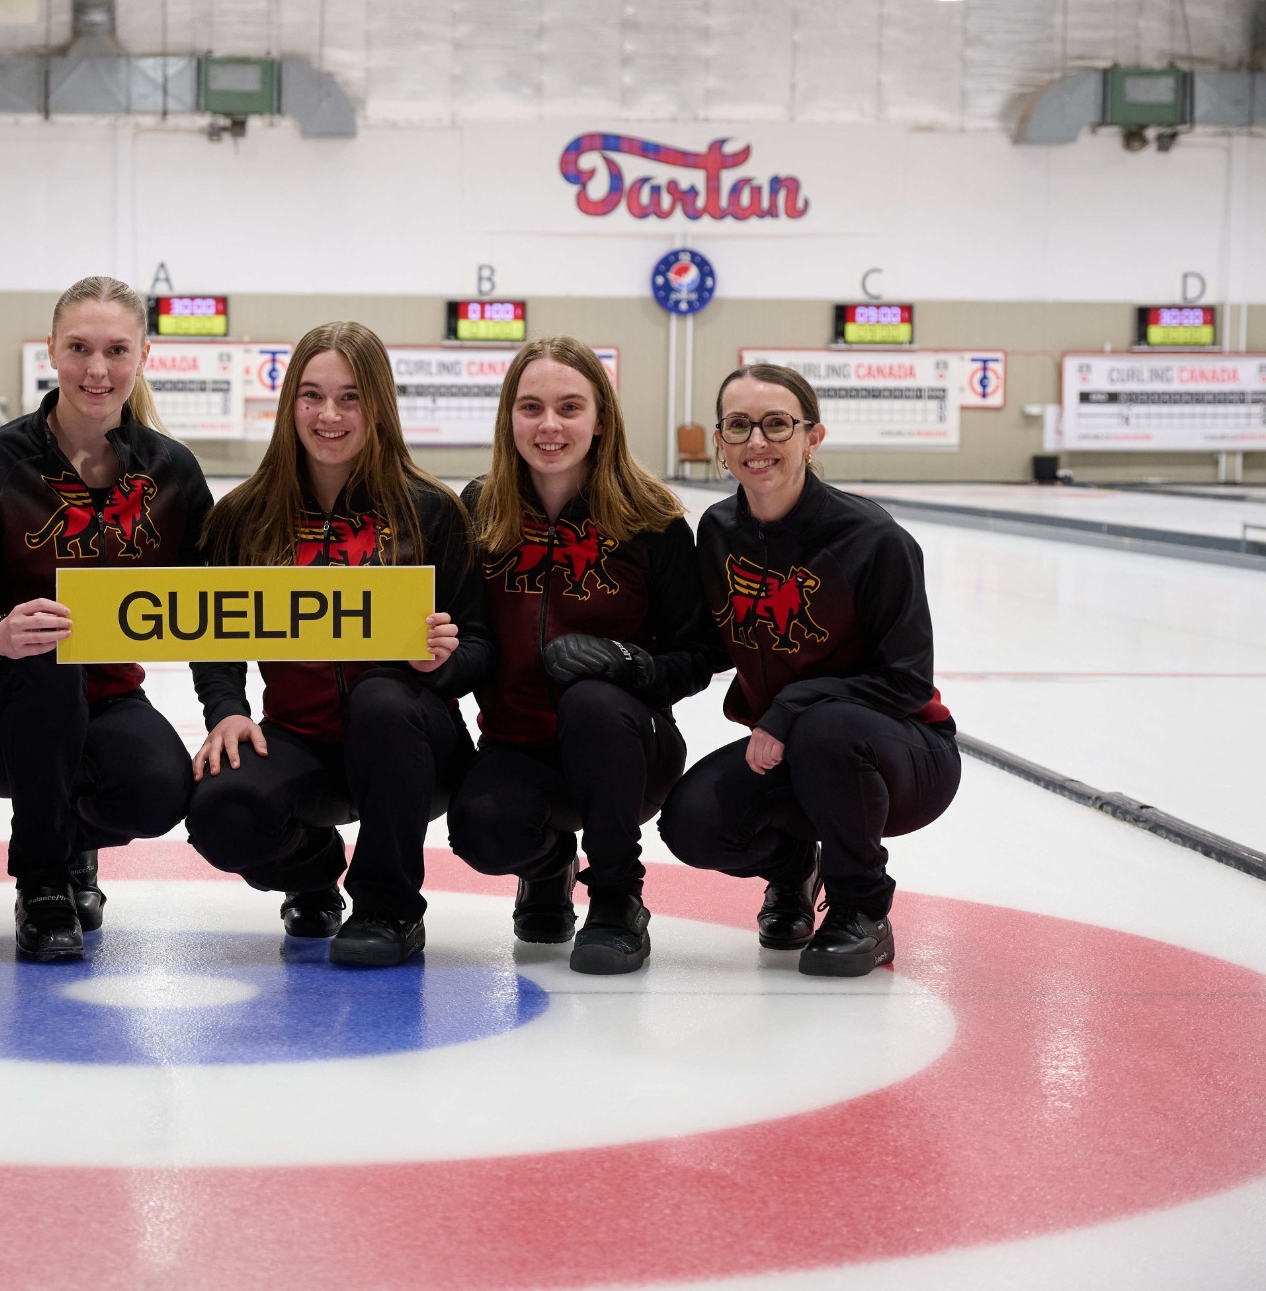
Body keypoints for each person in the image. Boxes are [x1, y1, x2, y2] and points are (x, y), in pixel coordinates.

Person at [187, 321, 490, 968]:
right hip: (299, 738)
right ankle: (313, 871)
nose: (329, 414)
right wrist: (226, 711)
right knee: (221, 812)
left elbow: (480, 649)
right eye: (312, 394)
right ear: (288, 402)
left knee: (381, 698)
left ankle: (389, 910)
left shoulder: (431, 511)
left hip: (410, 747)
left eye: (351, 396)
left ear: (378, 404)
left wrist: (444, 662)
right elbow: (216, 636)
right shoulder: (244, 515)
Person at [0, 276, 210, 963]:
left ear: (144, 356)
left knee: (158, 785)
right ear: (51, 350)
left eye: (117, 349)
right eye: (79, 347)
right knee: (53, 652)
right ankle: (44, 881)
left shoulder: (172, 473)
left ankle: (69, 842)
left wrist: (227, 706)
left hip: (107, 697)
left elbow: (213, 608)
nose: (97, 368)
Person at [658, 364, 962, 978]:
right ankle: (793, 869)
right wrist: (630, 666)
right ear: (720, 441)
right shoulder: (719, 531)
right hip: (793, 749)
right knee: (692, 823)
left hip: (903, 754)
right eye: (739, 426)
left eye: (776, 425)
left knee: (827, 730)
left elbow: (906, 679)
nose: (757, 443)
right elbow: (710, 643)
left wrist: (792, 709)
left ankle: (861, 910)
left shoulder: (873, 539)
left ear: (812, 437)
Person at [446, 338, 722, 974]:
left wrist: (632, 666)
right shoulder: (480, 510)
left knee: (594, 701)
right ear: (507, 418)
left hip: (628, 749)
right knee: (481, 831)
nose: (549, 426)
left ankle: (617, 896)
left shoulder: (651, 520)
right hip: (518, 747)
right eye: (531, 407)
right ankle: (549, 868)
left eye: (570, 407)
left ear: (601, 419)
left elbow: (701, 651)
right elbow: (468, 636)